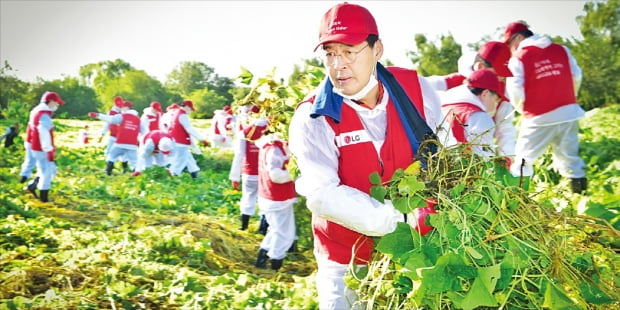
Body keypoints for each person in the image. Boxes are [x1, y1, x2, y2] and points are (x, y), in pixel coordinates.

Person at [288, 3, 449, 308]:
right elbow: (322, 194)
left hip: (414, 253)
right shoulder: (314, 116)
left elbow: (442, 149)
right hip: (346, 259)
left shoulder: (416, 90)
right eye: (330, 53)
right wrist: (401, 220)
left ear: (377, 50)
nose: (339, 65)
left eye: (350, 51)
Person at [503, 21, 587, 193]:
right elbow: (576, 76)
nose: (510, 48)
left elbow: (515, 89)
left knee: (523, 160)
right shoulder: (561, 49)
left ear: (518, 38)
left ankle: (518, 200)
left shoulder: (519, 57)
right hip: (569, 112)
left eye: (510, 44)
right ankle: (580, 196)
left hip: (539, 117)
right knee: (570, 157)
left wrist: (522, 109)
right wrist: (569, 97)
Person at [428, 41, 517, 159]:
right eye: (497, 74)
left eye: (503, 75)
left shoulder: (501, 93)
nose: (500, 79)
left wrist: (507, 160)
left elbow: (505, 130)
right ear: (480, 66)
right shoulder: (449, 83)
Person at [441, 68, 509, 158]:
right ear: (485, 93)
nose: (495, 105)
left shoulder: (444, 106)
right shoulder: (479, 118)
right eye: (496, 99)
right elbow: (485, 161)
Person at [254, 132, 297, 271]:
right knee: (284, 234)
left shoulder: (269, 146)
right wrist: (296, 173)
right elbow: (276, 176)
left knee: (275, 230)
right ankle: (275, 266)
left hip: (271, 196)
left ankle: (261, 260)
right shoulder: (274, 149)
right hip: (277, 198)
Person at [229, 105, 269, 232]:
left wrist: (235, 177)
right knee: (265, 199)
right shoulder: (272, 129)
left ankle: (244, 226)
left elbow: (239, 155)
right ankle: (262, 229)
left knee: (248, 197)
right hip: (266, 172)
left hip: (249, 171)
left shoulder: (245, 132)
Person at [23, 91, 65, 202]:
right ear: (50, 101)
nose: (57, 105)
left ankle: (33, 185)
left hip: (36, 145)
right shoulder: (44, 115)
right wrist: (48, 149)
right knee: (47, 171)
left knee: (48, 170)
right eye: (56, 103)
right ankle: (43, 198)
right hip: (41, 147)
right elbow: (43, 132)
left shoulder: (37, 111)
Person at [89, 101, 144, 175]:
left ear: (126, 108)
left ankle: (108, 171)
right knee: (134, 161)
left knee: (111, 156)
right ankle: (136, 173)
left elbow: (110, 119)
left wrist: (97, 115)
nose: (121, 109)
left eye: (122, 107)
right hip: (132, 145)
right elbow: (144, 132)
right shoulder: (138, 119)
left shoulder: (122, 116)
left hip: (120, 142)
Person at [168, 100, 209, 178]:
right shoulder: (182, 115)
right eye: (190, 109)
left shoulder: (176, 113)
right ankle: (173, 173)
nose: (190, 111)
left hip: (176, 140)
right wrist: (202, 139)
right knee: (180, 160)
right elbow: (189, 129)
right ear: (186, 107)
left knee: (189, 159)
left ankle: (194, 173)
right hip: (181, 141)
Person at [99, 96, 130, 173]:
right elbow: (106, 124)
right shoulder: (111, 113)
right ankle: (109, 168)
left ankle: (124, 168)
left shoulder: (124, 113)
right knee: (109, 152)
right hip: (113, 135)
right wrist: (102, 134)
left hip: (121, 136)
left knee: (122, 152)